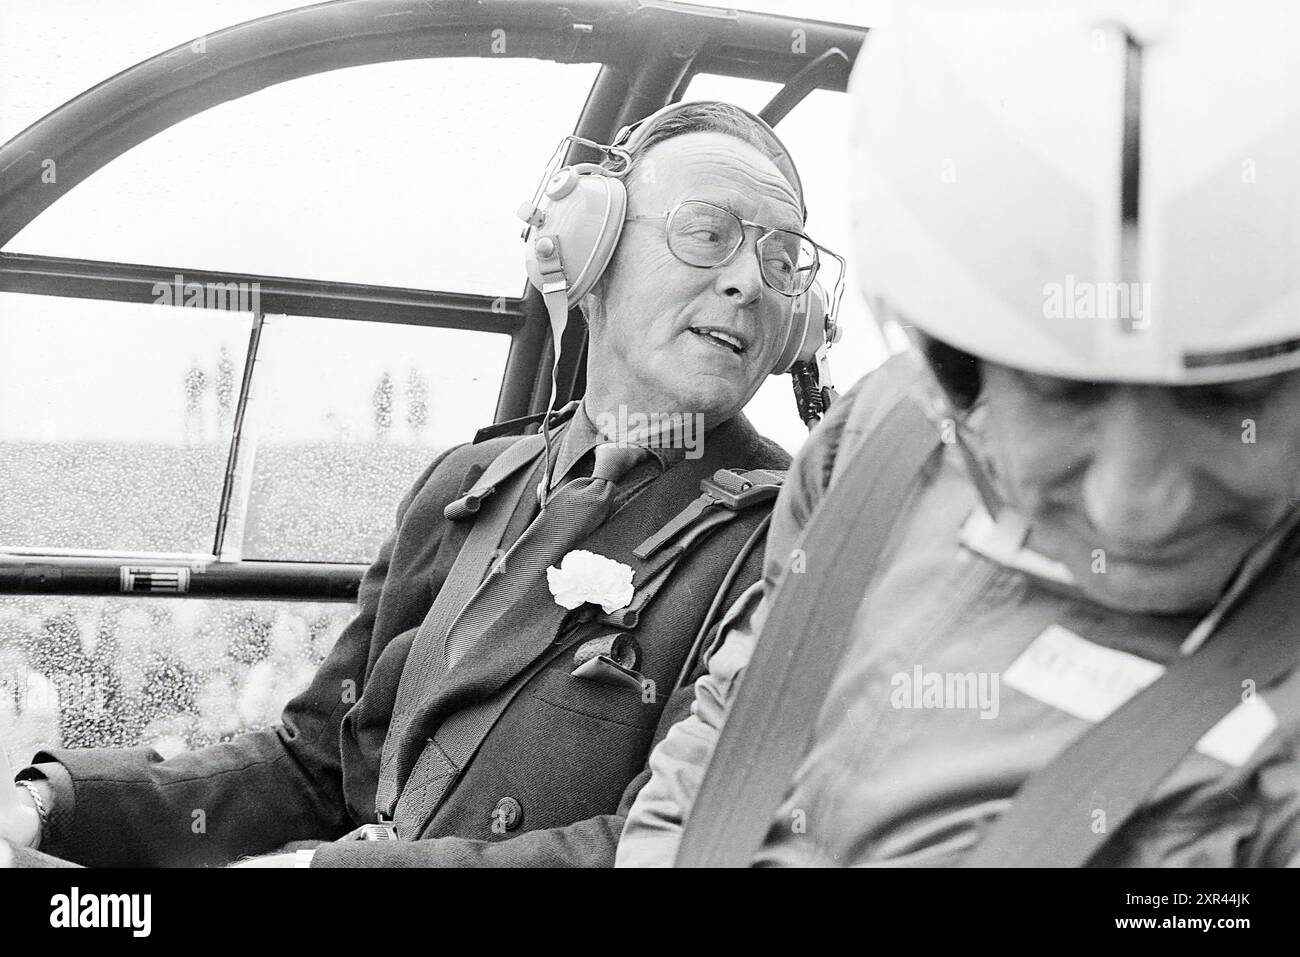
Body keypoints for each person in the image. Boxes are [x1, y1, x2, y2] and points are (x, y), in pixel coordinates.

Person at [2, 101, 843, 867]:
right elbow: (318, 764)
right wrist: (55, 806)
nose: (747, 282)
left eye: (779, 261)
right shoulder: (466, 489)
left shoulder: (796, 541)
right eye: (708, 233)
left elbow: (678, 845)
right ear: (591, 247)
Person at [616, 0, 1300, 867]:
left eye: (1228, 398)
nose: (1136, 506)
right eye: (1058, 393)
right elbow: (730, 717)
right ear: (952, 367)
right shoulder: (880, 437)